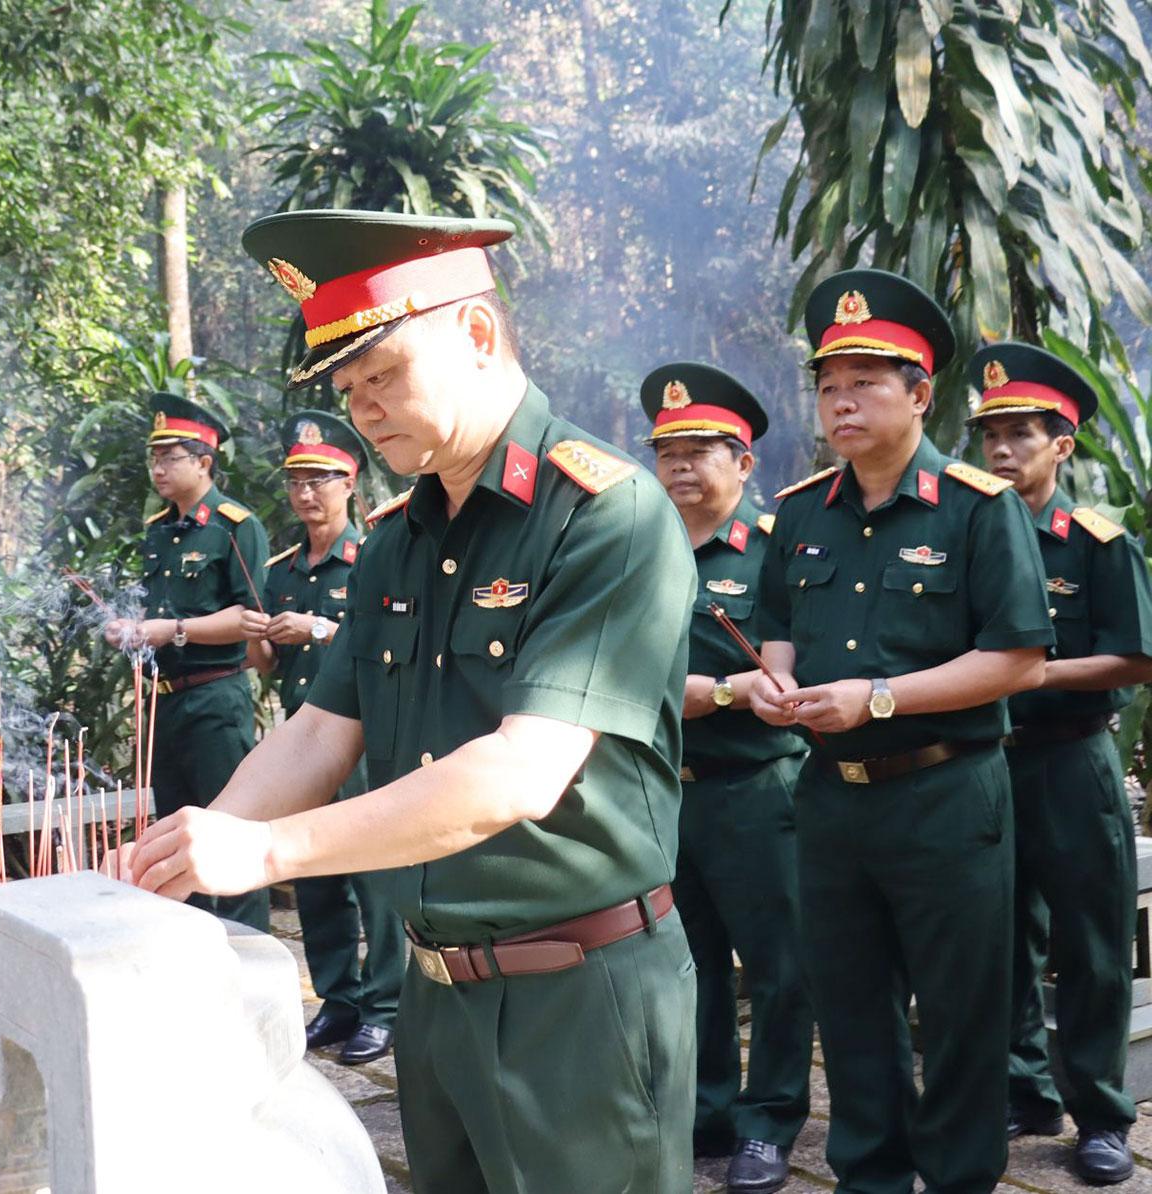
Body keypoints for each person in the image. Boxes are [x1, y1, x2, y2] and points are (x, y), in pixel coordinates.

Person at [129, 208, 698, 1190]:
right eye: (348, 390)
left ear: (476, 335)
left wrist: (264, 852)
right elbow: (318, 729)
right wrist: (192, 848)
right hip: (435, 996)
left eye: (382, 375)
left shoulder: (607, 516)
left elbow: (521, 771)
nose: (364, 411)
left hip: (578, 1001)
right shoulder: (397, 536)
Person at [750, 270, 1053, 1193]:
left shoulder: (978, 508)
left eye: (866, 384)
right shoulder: (799, 513)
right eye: (829, 386)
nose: (841, 403)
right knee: (847, 1006)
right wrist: (778, 683)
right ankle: (871, 1176)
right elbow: (776, 633)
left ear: (921, 395)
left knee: (962, 1013)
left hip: (947, 795)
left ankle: (960, 1176)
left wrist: (876, 698)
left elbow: (1017, 659)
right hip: (833, 805)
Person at [967, 342, 1152, 1184]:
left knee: (1091, 943)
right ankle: (1024, 1089)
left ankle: (1102, 1115)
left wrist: (1027, 670)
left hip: (1071, 761)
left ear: (1063, 445)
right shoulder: (965, 531)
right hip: (981, 763)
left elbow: (1135, 657)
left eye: (1022, 434)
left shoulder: (1097, 543)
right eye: (990, 435)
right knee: (997, 938)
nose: (1002, 450)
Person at [641, 363, 812, 1193]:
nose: (677, 466)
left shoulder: (780, 554)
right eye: (665, 450)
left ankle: (771, 1121)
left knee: (779, 964)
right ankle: (707, 1110)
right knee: (690, 961)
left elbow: (797, 671)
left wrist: (742, 695)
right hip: (668, 791)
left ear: (745, 465)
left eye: (699, 449)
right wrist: (718, 692)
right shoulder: (641, 553)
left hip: (757, 792)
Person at [245, 409, 404, 1067]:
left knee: (372, 872)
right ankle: (338, 998)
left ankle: (386, 1005)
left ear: (351, 481)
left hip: (366, 739)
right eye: (298, 481)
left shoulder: (375, 558)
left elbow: (393, 645)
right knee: (312, 875)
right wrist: (261, 633)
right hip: (303, 738)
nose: (307, 493)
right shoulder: (282, 568)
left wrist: (320, 629)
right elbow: (263, 665)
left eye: (323, 479)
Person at [103, 391, 271, 931]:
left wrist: (170, 631)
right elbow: (157, 615)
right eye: (154, 458)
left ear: (204, 461)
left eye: (171, 457)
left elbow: (251, 619)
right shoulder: (158, 531)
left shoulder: (232, 525)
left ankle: (249, 954)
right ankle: (190, 949)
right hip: (165, 703)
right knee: (172, 836)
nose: (158, 469)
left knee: (229, 827)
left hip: (216, 697)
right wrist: (132, 631)